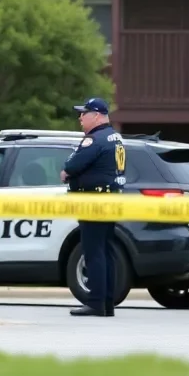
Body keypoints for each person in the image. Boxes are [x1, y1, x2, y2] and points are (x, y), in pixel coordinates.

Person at [60, 97, 126, 318]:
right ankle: (107, 303)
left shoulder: (94, 140)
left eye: (84, 113)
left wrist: (67, 172)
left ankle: (96, 302)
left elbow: (71, 167)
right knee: (106, 251)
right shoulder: (115, 137)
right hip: (111, 200)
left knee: (94, 251)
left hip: (94, 202)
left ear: (96, 115)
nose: (80, 117)